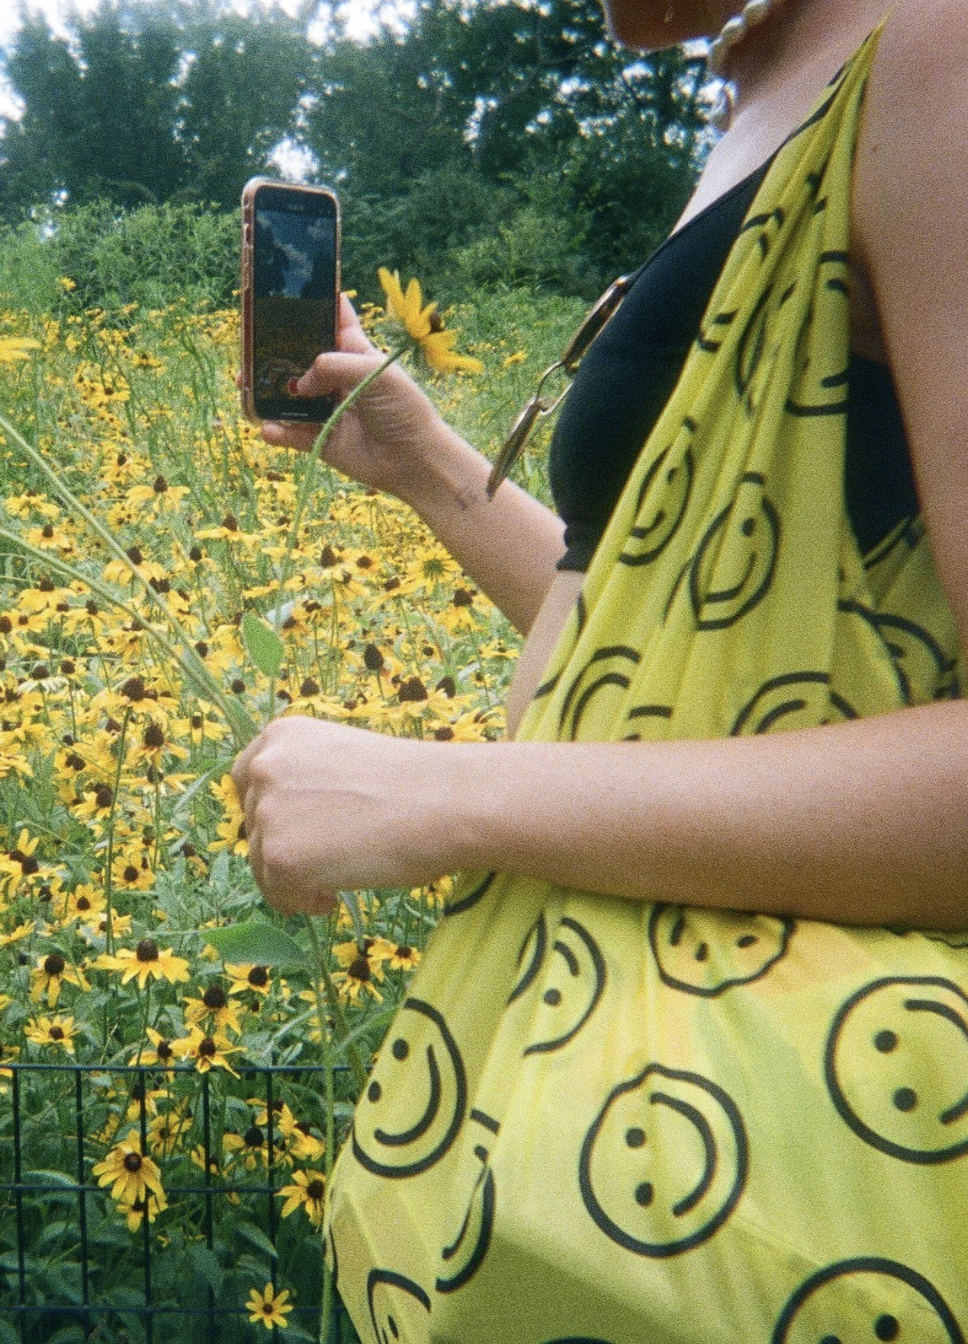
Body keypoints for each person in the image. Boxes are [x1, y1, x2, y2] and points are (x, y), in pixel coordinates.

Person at [231, 0, 968, 1337]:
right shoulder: (767, 85)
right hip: (646, 1142)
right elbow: (666, 651)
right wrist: (426, 462)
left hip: (789, 1175)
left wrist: (451, 800)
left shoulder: (936, 51)